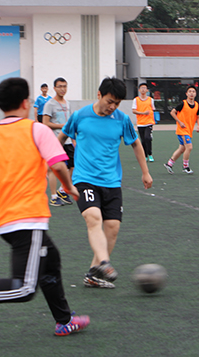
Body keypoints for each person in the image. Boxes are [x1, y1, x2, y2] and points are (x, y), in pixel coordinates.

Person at [0, 77, 89, 336]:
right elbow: (58, 164)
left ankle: (64, 320)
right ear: (25, 103)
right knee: (24, 289)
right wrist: (68, 187)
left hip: (5, 220)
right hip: (28, 218)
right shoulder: (37, 130)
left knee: (51, 261)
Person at [58, 77, 153, 289]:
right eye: (110, 101)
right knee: (93, 218)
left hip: (111, 181)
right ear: (99, 94)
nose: (112, 107)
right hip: (84, 179)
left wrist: (145, 172)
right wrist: (50, 160)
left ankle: (94, 274)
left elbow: (136, 144)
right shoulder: (80, 116)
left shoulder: (122, 119)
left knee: (112, 228)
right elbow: (62, 137)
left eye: (117, 103)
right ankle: (104, 262)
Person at [43, 77, 74, 207]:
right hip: (55, 141)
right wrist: (63, 126)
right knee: (53, 169)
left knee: (73, 166)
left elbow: (70, 123)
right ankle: (53, 196)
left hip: (67, 141)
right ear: (54, 88)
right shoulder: (50, 104)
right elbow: (45, 123)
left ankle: (62, 190)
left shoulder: (68, 104)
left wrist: (73, 139)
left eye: (64, 86)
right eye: (60, 86)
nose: (62, 89)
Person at [164, 85, 199, 175]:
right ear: (186, 93)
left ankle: (169, 164)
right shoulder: (182, 104)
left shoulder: (197, 105)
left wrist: (198, 126)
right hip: (182, 130)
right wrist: (179, 122)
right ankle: (186, 167)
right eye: (190, 91)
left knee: (182, 149)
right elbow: (172, 112)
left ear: (196, 94)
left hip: (189, 131)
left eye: (193, 91)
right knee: (189, 147)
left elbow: (198, 116)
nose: (191, 93)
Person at [132, 82, 156, 162]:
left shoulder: (150, 100)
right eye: (141, 88)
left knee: (147, 138)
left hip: (149, 122)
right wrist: (143, 113)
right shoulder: (136, 100)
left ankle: (150, 154)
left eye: (144, 88)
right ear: (139, 90)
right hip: (140, 123)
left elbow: (153, 109)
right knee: (143, 140)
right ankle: (145, 155)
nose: (143, 89)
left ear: (147, 90)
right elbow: (134, 111)